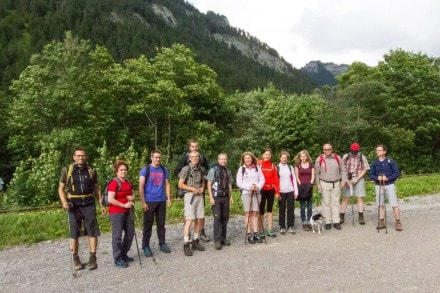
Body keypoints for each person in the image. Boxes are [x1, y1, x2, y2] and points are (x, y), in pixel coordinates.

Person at [58, 147, 105, 271]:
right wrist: (64, 202)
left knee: (92, 231)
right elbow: (61, 188)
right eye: (78, 155)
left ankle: (93, 257)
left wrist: (101, 203)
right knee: (74, 232)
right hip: (73, 204)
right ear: (74, 157)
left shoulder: (91, 170)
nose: (81, 158)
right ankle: (75, 257)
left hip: (89, 203)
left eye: (83, 155)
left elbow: (96, 187)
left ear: (86, 157)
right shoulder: (67, 170)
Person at [174, 139, 210, 242]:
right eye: (192, 147)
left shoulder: (202, 158)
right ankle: (187, 235)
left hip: (200, 190)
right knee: (189, 215)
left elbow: (207, 168)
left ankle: (200, 234)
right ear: (189, 148)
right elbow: (177, 171)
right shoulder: (185, 160)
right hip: (189, 192)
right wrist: (187, 180)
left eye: (196, 147)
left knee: (200, 214)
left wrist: (204, 181)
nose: (194, 148)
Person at [139, 150, 172, 258]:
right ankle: (146, 246)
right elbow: (141, 186)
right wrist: (143, 202)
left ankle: (162, 243)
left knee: (161, 224)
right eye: (156, 157)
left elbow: (167, 184)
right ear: (151, 158)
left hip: (161, 200)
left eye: (159, 157)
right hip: (149, 201)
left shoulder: (163, 169)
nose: (158, 159)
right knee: (148, 225)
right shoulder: (146, 169)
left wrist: (168, 198)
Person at [107, 160, 135, 268]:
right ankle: (117, 258)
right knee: (117, 236)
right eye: (121, 170)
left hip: (128, 212)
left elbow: (132, 193)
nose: (123, 172)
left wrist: (132, 198)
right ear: (116, 171)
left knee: (130, 233)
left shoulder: (128, 181)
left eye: (125, 170)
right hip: (116, 212)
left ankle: (124, 254)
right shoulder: (114, 183)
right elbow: (110, 199)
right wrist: (123, 205)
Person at [178, 151, 206, 256]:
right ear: (189, 158)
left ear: (199, 158)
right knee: (189, 219)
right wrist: (192, 189)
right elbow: (180, 184)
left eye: (196, 157)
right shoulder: (186, 169)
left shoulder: (201, 169)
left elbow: (203, 181)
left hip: (199, 195)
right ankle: (186, 243)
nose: (195, 158)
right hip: (189, 196)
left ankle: (195, 240)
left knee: (199, 219)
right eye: (193, 157)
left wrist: (203, 187)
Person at [369, 144, 402, 231]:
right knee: (380, 204)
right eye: (377, 150)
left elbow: (396, 173)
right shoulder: (374, 162)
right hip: (378, 185)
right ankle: (381, 221)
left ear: (384, 152)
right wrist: (377, 178)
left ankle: (398, 222)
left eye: (379, 150)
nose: (377, 152)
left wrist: (387, 178)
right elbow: (371, 174)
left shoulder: (390, 161)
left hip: (390, 184)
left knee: (394, 203)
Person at [315, 144, 347, 230]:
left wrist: (343, 181)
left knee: (336, 202)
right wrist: (318, 184)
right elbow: (317, 173)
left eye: (329, 149)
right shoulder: (320, 159)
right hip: (324, 183)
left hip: (336, 183)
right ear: (323, 150)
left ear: (332, 149)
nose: (327, 151)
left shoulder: (337, 158)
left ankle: (336, 221)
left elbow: (343, 170)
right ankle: (328, 222)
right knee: (326, 203)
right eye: (325, 149)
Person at [236, 151, 265, 244]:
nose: (248, 159)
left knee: (256, 212)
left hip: (257, 192)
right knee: (248, 213)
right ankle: (249, 233)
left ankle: (256, 233)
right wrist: (249, 187)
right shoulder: (241, 169)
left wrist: (258, 187)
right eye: (246, 158)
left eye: (249, 158)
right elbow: (239, 182)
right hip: (246, 193)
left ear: (252, 158)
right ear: (243, 160)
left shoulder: (257, 168)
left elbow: (262, 179)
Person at [207, 153, 234, 250]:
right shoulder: (213, 170)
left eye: (225, 159)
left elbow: (230, 184)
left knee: (225, 217)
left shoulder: (228, 171)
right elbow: (209, 184)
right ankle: (217, 240)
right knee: (217, 218)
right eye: (221, 159)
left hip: (226, 197)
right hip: (216, 197)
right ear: (218, 160)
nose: (223, 161)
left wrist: (231, 197)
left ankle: (223, 238)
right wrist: (211, 197)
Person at [340, 143, 370, 225]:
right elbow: (343, 169)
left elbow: (365, 170)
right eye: (352, 151)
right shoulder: (346, 156)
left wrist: (357, 178)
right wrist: (346, 179)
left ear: (358, 150)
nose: (353, 153)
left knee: (359, 197)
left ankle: (361, 215)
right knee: (345, 197)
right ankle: (341, 215)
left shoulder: (362, 157)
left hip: (358, 177)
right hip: (348, 178)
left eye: (355, 151)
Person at [257, 148, 280, 238]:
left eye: (269, 155)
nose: (267, 156)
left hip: (271, 189)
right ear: (263, 155)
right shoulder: (259, 164)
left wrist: (277, 192)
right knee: (261, 211)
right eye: (266, 154)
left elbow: (276, 179)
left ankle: (270, 230)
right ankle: (261, 230)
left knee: (270, 210)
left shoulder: (273, 165)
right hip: (262, 189)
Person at [277, 151, 298, 235]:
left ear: (287, 159)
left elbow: (294, 180)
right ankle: (282, 226)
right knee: (282, 209)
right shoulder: (277, 167)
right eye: (283, 157)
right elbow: (275, 181)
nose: (284, 159)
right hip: (281, 191)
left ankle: (290, 226)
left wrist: (295, 191)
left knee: (291, 209)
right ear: (280, 158)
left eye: (286, 158)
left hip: (290, 191)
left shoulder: (290, 167)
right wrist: (277, 192)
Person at [294, 150, 315, 231]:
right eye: (301, 156)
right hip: (302, 187)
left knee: (309, 206)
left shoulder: (311, 165)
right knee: (302, 206)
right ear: (300, 157)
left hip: (309, 187)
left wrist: (311, 184)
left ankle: (309, 222)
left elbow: (313, 175)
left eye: (304, 156)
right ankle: (304, 222)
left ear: (307, 156)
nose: (303, 157)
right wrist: (300, 184)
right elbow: (297, 176)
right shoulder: (297, 166)